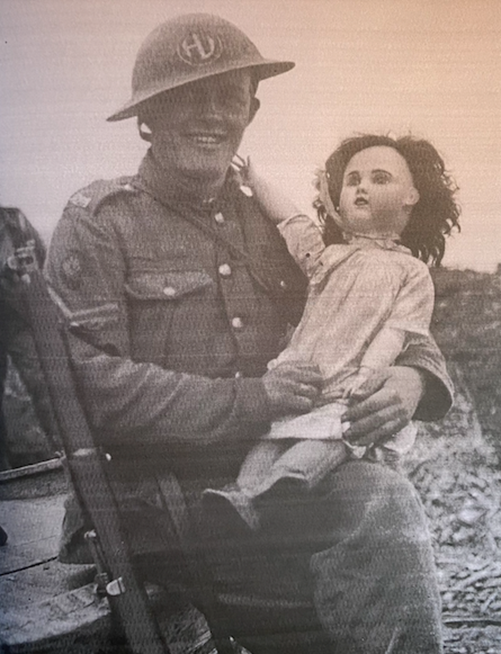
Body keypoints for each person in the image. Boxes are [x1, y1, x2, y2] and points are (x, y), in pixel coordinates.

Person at [45, 14, 454, 654]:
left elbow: (371, 293)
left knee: (382, 502)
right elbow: (84, 392)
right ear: (146, 117)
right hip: (147, 513)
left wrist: (415, 376)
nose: (210, 115)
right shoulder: (100, 223)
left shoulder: (271, 224)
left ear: (251, 111)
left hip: (273, 493)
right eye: (186, 96)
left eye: (226, 97)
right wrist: (256, 400)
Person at [204, 135, 460, 529]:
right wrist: (255, 181)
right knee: (270, 440)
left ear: (412, 196)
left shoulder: (410, 273)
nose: (361, 186)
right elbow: (291, 220)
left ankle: (282, 489)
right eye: (353, 179)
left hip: (349, 387)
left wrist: (368, 379)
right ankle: (240, 498)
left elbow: (398, 332)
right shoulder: (328, 258)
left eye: (379, 178)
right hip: (300, 380)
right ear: (336, 200)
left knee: (325, 439)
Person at [0, 205, 55, 468]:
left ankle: (61, 450)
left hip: (19, 314)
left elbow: (40, 257)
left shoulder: (14, 219)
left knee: (43, 381)